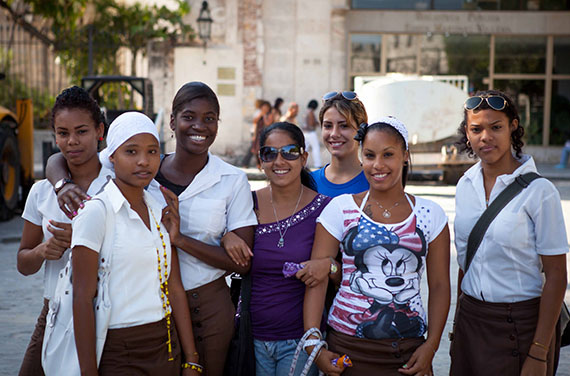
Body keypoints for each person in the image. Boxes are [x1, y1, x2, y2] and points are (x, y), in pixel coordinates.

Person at [45, 82, 257, 376]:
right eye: (189, 116)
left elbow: (235, 264)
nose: (142, 160)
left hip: (199, 311)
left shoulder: (224, 181)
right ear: (172, 121)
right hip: (133, 325)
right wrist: (60, 183)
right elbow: (65, 156)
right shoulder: (133, 182)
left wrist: (182, 239)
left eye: (210, 118)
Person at [303, 116, 451, 375]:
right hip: (346, 349)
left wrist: (431, 346)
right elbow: (318, 279)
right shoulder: (340, 209)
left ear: (405, 155)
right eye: (370, 155)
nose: (378, 165)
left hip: (409, 352)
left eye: (388, 155)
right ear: (361, 156)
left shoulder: (431, 214)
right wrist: (314, 345)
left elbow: (439, 286)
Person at [71, 111, 200, 375]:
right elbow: (82, 298)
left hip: (165, 345)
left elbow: (174, 287)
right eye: (131, 152)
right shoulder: (96, 212)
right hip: (120, 350)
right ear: (112, 157)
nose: (144, 161)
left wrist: (192, 358)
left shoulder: (159, 208)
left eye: (152, 151)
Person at [450, 90, 568, 376]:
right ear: (467, 133)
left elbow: (556, 277)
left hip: (520, 327)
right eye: (476, 129)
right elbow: (465, 263)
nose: (485, 137)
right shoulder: (465, 185)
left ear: (513, 126)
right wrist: (456, 328)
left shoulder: (540, 192)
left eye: (496, 127)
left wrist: (539, 352)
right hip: (470, 323)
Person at [222, 122, 332, 375]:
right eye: (270, 153)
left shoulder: (325, 208)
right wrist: (226, 237)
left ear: (304, 157)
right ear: (261, 160)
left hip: (300, 341)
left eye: (290, 152)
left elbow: (343, 273)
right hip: (251, 338)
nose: (279, 160)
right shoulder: (246, 203)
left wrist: (329, 265)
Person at [16, 86, 110, 376]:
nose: (72, 142)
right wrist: (43, 251)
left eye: (81, 131)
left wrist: (85, 240)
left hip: (107, 309)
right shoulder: (41, 192)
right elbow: (23, 263)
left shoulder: (117, 184)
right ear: (54, 136)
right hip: (54, 309)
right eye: (62, 133)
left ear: (99, 132)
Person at [311, 91, 369, 198]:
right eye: (328, 126)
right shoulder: (308, 183)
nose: (334, 134)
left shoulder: (375, 182)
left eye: (344, 126)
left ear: (361, 129)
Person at [243, 100, 273, 167]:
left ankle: (261, 164)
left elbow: (267, 123)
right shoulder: (259, 113)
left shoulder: (269, 114)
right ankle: (257, 164)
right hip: (257, 134)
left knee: (262, 149)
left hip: (265, 134)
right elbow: (255, 122)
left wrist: (265, 116)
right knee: (255, 149)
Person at [303, 99, 322, 169]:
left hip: (305, 133)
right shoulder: (311, 112)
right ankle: (318, 164)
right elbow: (311, 123)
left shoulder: (306, 111)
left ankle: (304, 164)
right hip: (310, 132)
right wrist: (317, 123)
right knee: (316, 147)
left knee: (305, 149)